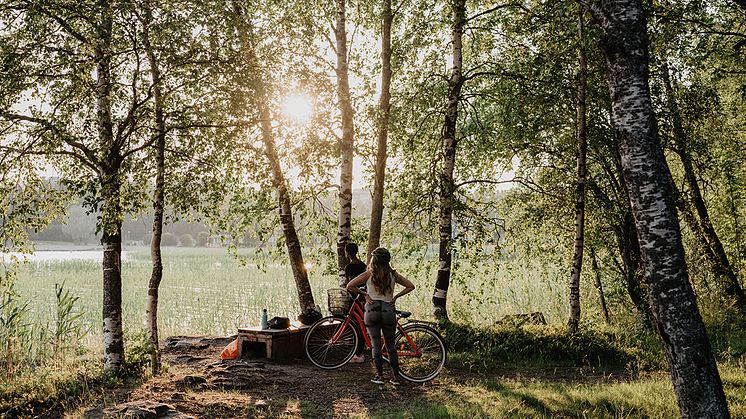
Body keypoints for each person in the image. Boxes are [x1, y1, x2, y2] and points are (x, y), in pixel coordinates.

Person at [346, 247, 415, 385]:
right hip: (388, 310)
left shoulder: (369, 274)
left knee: (375, 344)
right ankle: (396, 377)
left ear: (374, 259)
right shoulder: (393, 274)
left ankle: (379, 376)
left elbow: (350, 285)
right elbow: (410, 286)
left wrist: (365, 295)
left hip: (372, 310)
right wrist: (395, 297)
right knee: (390, 346)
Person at [343, 242, 367, 363]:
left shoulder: (349, 267)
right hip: (363, 298)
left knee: (357, 326)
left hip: (355, 299)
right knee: (361, 326)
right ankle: (358, 351)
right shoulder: (363, 265)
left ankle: (358, 353)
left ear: (347, 252)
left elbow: (350, 284)